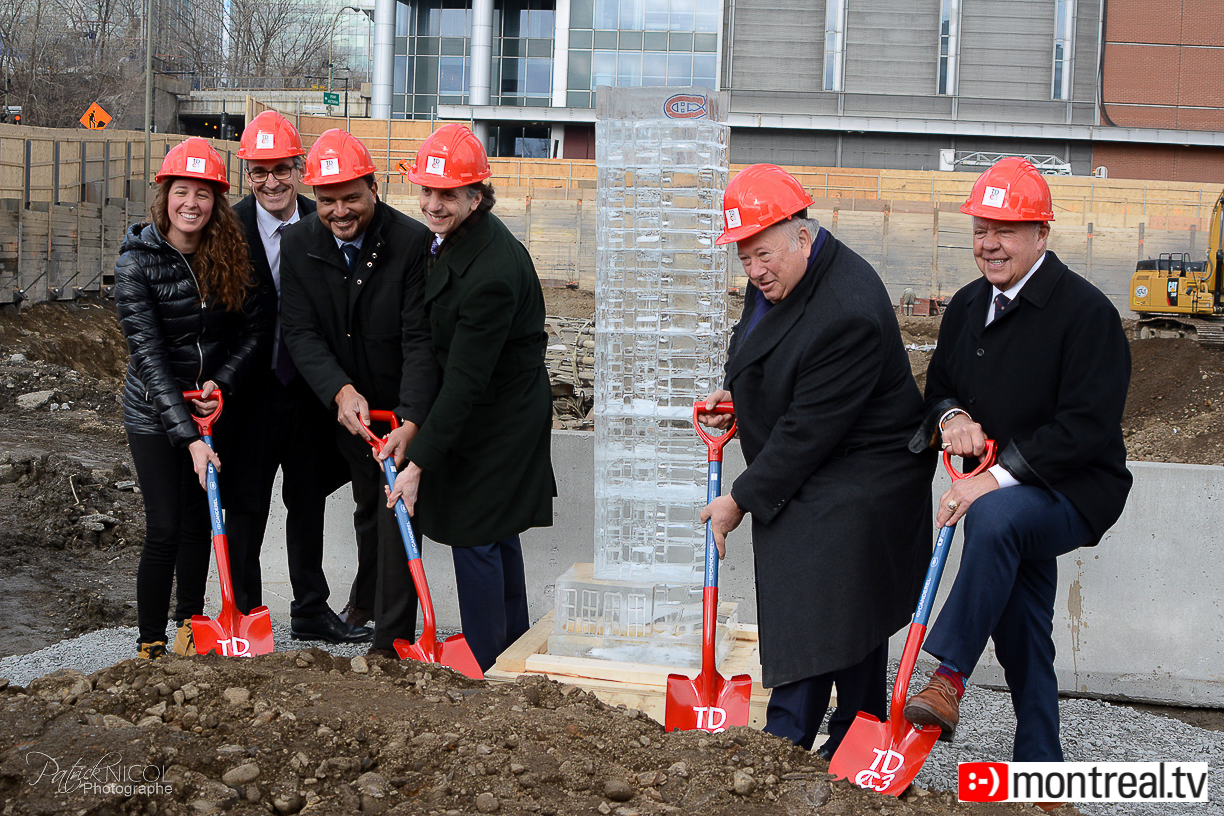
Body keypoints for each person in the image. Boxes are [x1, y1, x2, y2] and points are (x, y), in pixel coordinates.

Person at [902, 158, 1131, 781]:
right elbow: (940, 389)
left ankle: (947, 676)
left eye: (1006, 229)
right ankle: (1041, 767)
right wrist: (951, 420)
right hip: (1006, 494)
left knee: (996, 518)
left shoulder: (1086, 315)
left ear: (1041, 234)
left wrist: (988, 482)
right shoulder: (967, 309)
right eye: (981, 229)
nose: (990, 244)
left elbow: (1085, 427)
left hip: (1075, 488)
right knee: (1025, 624)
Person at [695, 164, 935, 756]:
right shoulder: (783, 267)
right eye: (744, 259)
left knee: (816, 588)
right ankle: (857, 732)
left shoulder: (846, 308)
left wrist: (739, 501)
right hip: (829, 453)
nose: (754, 272)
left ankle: (787, 740)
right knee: (848, 606)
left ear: (802, 235)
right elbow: (766, 351)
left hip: (869, 472)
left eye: (761, 257)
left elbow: (807, 431)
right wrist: (741, 398)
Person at [386, 123, 555, 673]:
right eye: (427, 191)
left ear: (475, 197)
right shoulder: (457, 241)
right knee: (496, 534)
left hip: (498, 419)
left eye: (448, 195)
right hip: (489, 410)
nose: (433, 204)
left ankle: (488, 665)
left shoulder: (491, 273)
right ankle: (511, 655)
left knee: (479, 535)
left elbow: (464, 381)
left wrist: (418, 462)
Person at [280, 128, 436, 659]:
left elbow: (420, 339)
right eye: (327, 201)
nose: (339, 211)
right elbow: (299, 331)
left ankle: (392, 638)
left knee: (395, 507)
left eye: (351, 198)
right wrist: (339, 390)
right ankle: (363, 600)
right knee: (365, 502)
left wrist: (411, 418)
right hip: (346, 404)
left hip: (397, 400)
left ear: (374, 188)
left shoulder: (411, 244)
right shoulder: (299, 242)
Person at [222, 110, 372, 644]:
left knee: (306, 503)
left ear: (298, 167)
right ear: (248, 174)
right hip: (250, 392)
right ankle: (245, 611)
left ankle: (311, 608)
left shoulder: (323, 221)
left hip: (309, 391)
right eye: (259, 171)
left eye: (280, 168)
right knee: (247, 505)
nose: (270, 182)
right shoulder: (229, 228)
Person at [115, 138, 269, 659]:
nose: (192, 204)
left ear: (217, 201)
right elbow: (150, 359)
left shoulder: (229, 252)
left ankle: (190, 624)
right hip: (156, 412)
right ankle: (151, 641)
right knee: (165, 525)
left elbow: (253, 332)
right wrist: (188, 437)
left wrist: (220, 383)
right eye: (182, 191)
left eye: (204, 194)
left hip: (209, 407)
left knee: (202, 522)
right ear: (165, 195)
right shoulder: (137, 265)